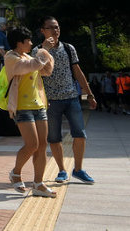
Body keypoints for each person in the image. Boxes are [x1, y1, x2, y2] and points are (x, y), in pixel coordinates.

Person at [33, 17, 97, 184]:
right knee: (54, 138)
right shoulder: (37, 51)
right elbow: (33, 74)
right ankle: (61, 170)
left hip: (71, 98)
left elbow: (78, 72)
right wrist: (44, 50)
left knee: (80, 134)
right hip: (50, 102)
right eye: (51, 28)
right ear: (43, 31)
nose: (55, 31)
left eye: (57, 27)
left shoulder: (68, 48)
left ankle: (78, 169)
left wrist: (89, 94)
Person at [3, 26, 55, 197]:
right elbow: (31, 66)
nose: (31, 43)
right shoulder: (10, 58)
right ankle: (16, 172)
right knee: (32, 144)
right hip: (22, 107)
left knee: (42, 146)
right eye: (29, 41)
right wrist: (44, 50)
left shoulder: (29, 56)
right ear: (20, 43)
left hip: (39, 105)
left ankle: (38, 184)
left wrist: (45, 54)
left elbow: (46, 70)